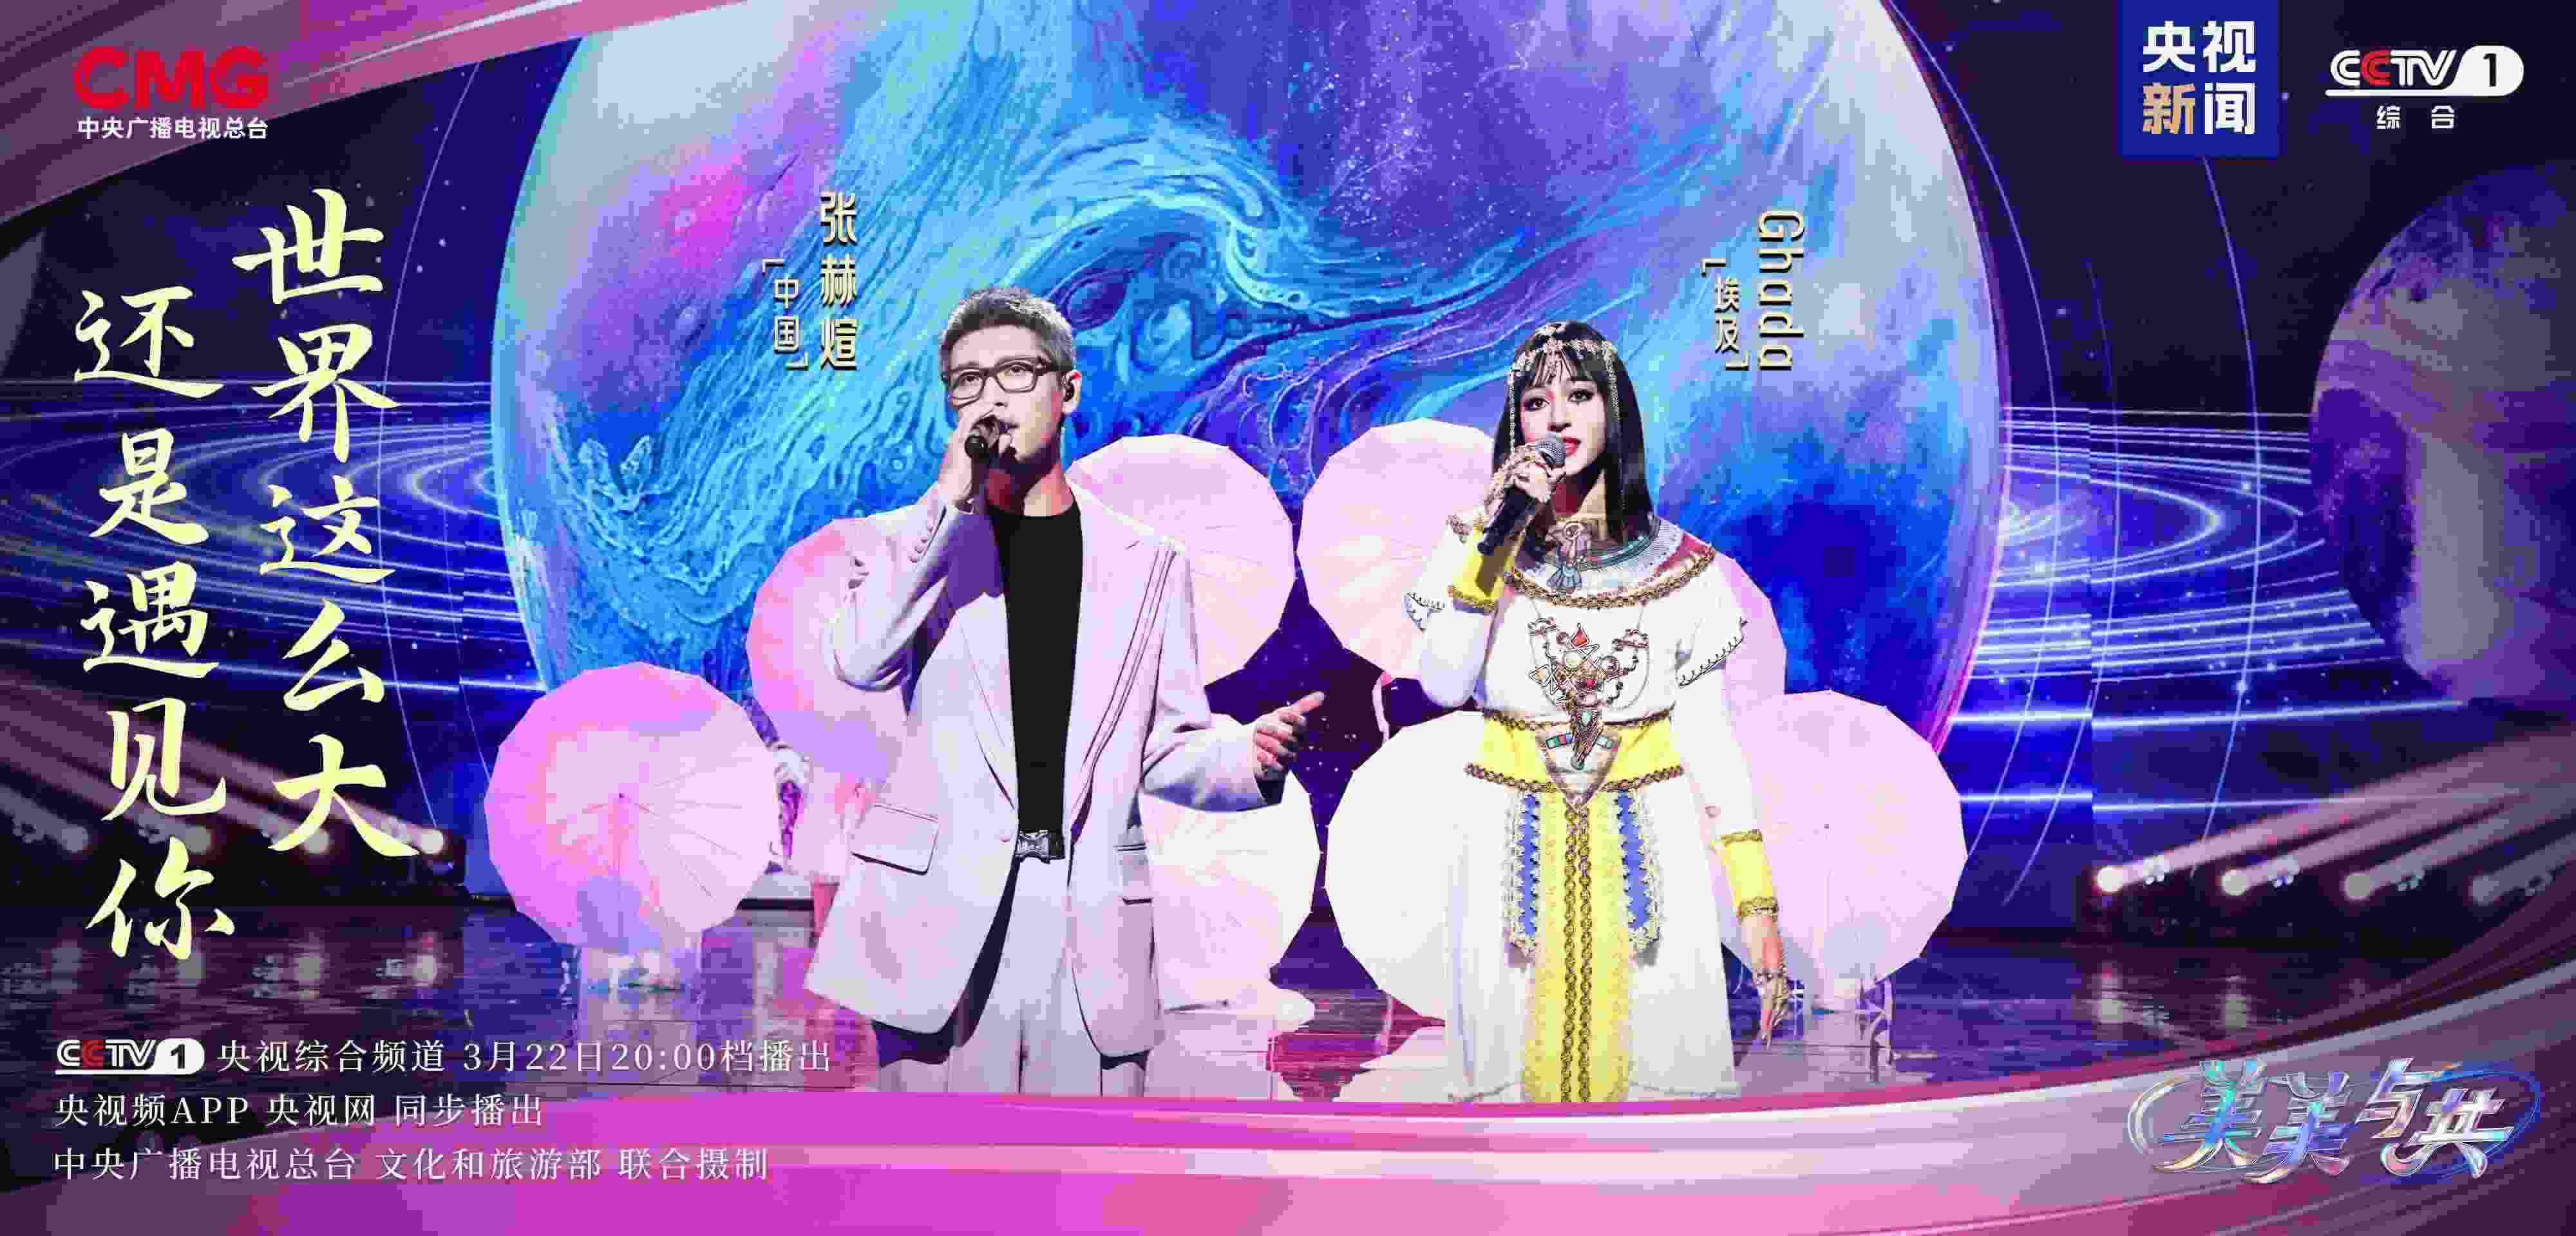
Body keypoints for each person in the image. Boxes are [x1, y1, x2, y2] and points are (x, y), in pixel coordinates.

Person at [804, 287, 1324, 1096]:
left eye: (1015, 372)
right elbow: (861, 658)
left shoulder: (1148, 563)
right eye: (967, 382)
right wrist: (948, 504)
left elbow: (1166, 745)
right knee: (933, 1166)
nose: (991, 398)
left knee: (1086, 1165)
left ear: (1068, 389)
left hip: (1090, 919)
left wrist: (1244, 758)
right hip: (941, 913)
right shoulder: (916, 542)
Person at [1345, 319, 1789, 1103]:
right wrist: (1496, 541)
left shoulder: (1683, 570)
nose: (1558, 418)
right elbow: (1444, 685)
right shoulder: (1473, 545)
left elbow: (1710, 741)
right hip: (1507, 832)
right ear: (1515, 425)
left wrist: (1755, 904)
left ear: (1615, 411)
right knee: (1508, 1083)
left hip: (1646, 836)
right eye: (1536, 402)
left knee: (1656, 1081)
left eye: (1580, 396)